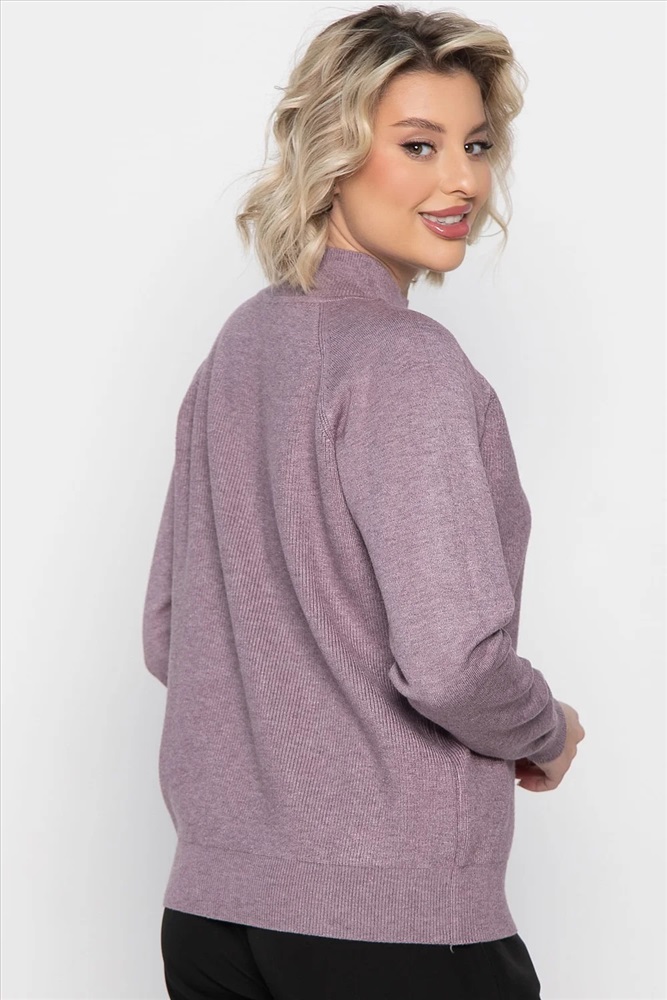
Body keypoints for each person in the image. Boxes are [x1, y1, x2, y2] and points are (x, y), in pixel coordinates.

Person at [142, 4, 586, 998]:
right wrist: (545, 730)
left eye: (476, 145)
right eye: (418, 145)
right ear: (332, 154)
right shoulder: (407, 363)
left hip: (212, 920)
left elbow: (171, 632)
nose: (461, 180)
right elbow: (451, 668)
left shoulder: (239, 348)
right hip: (391, 931)